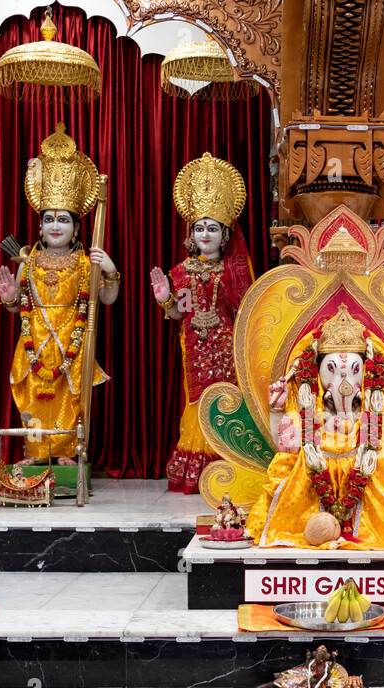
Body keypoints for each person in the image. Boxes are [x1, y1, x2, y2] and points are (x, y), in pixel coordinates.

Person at [246, 308, 384, 550]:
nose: (344, 382)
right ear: (318, 374)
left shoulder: (373, 412)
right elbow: (286, 449)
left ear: (364, 376)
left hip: (365, 483)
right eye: (331, 369)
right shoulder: (306, 406)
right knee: (296, 467)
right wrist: (277, 411)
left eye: (354, 370)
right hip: (315, 490)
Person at [0, 123, 118, 464]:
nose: (55, 226)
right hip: (33, 339)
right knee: (33, 394)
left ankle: (67, 453)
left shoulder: (85, 261)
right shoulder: (28, 259)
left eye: (63, 220)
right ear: (39, 226)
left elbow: (107, 299)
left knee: (69, 395)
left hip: (72, 341)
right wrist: (8, 296)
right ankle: (35, 452)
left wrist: (110, 270)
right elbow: (16, 307)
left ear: (76, 227)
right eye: (48, 219)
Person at [148, 153, 252, 493]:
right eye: (199, 227)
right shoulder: (181, 270)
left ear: (225, 234)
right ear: (191, 233)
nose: (205, 234)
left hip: (227, 350)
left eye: (212, 228)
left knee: (227, 401)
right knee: (196, 404)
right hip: (194, 348)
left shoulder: (235, 270)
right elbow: (180, 311)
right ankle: (197, 471)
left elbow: (246, 312)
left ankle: (227, 465)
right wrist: (165, 296)